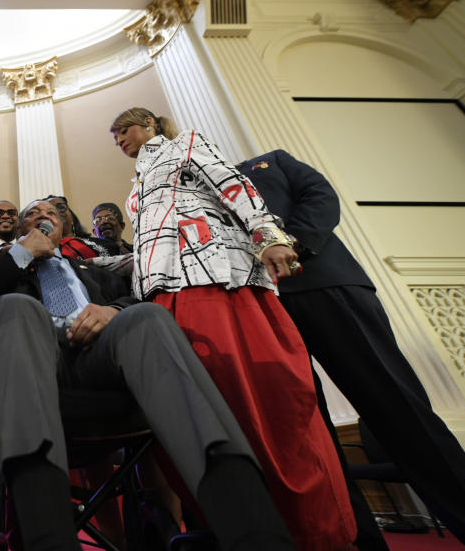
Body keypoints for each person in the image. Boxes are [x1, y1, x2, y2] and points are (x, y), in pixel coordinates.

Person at [0, 199, 295, 551]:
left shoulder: (94, 271)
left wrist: (112, 311)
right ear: (21, 228)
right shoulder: (0, 267)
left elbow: (131, 299)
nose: (44, 216)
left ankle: (255, 532)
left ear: (63, 229)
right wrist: (21, 254)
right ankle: (48, 537)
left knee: (147, 317)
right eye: (33, 213)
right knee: (16, 306)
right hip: (35, 367)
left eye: (52, 212)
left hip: (100, 362)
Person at [111, 107, 356, 550]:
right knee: (188, 415)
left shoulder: (184, 144)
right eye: (114, 137)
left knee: (253, 398)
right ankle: (228, 527)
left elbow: (234, 186)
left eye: (122, 129)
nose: (118, 139)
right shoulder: (135, 188)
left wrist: (269, 236)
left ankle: (308, 532)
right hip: (161, 296)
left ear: (148, 124)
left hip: (214, 279)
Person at [238, 149, 465, 545]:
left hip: (324, 281)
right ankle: (358, 540)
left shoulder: (270, 162)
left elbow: (320, 195)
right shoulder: (192, 194)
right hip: (261, 309)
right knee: (313, 435)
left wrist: (295, 244)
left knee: (397, 405)